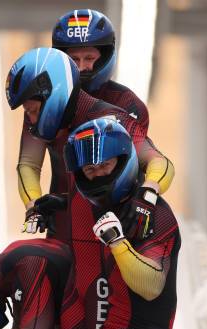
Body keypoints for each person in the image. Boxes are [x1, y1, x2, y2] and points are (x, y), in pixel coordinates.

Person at [51, 117, 180, 329]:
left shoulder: (154, 215)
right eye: (89, 169)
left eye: (105, 165)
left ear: (123, 162)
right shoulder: (101, 209)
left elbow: (152, 285)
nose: (97, 175)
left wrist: (117, 242)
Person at [7, 47, 174, 243]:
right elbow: (28, 164)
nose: (31, 118)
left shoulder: (112, 119)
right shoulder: (37, 121)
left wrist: (147, 195)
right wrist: (34, 205)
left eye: (33, 110)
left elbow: (160, 162)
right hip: (67, 231)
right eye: (28, 112)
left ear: (54, 97)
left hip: (118, 232)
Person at [17, 10, 150, 219]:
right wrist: (34, 205)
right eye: (74, 59)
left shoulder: (129, 105)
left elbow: (141, 165)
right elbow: (28, 163)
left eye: (89, 58)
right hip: (64, 218)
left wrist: (146, 199)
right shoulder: (42, 107)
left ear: (104, 56)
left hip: (120, 216)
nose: (81, 67)